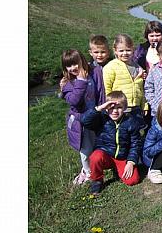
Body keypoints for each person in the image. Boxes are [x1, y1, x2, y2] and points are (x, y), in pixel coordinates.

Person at [82, 91, 142, 195]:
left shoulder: (130, 121)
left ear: (124, 108)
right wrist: (99, 108)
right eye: (111, 108)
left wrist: (131, 162)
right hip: (105, 155)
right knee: (95, 157)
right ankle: (97, 180)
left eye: (119, 107)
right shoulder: (101, 119)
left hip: (122, 157)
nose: (115, 111)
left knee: (133, 180)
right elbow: (85, 121)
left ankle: (118, 169)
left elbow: (135, 144)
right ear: (106, 108)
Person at [60, 49, 98, 185]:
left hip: (94, 116)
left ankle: (96, 168)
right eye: (69, 66)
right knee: (85, 149)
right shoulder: (68, 84)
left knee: (95, 144)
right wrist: (81, 81)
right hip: (80, 121)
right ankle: (87, 172)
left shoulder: (92, 74)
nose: (73, 68)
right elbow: (74, 101)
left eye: (75, 63)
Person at [103, 34, 146, 125]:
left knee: (135, 133)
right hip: (119, 108)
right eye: (121, 51)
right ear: (115, 51)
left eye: (128, 50)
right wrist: (109, 105)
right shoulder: (111, 67)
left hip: (136, 108)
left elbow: (141, 89)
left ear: (133, 50)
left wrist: (144, 105)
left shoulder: (138, 67)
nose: (125, 53)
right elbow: (107, 88)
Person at [88, 34, 111, 106]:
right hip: (94, 104)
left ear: (108, 52)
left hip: (110, 103)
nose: (99, 55)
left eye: (103, 52)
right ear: (91, 53)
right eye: (96, 52)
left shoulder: (113, 66)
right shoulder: (88, 69)